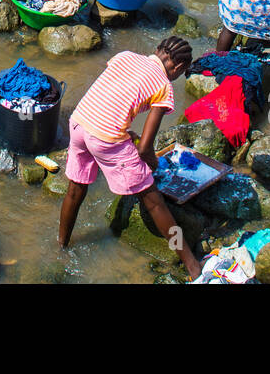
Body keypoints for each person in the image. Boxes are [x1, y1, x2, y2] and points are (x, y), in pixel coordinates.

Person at [59, 38, 201, 280]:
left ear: (157, 50)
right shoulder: (164, 85)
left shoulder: (125, 55)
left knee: (76, 189)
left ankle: (61, 245)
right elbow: (145, 149)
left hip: (79, 122)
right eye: (181, 72)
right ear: (177, 69)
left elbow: (112, 97)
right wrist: (154, 166)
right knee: (154, 202)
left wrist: (128, 136)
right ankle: (193, 265)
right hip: (104, 138)